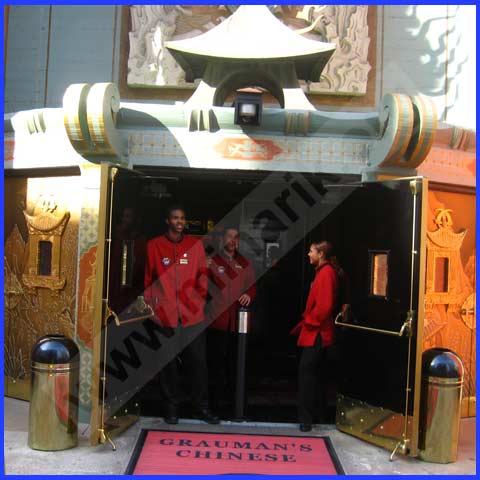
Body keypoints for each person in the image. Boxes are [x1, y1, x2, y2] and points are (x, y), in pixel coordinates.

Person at [144, 204, 219, 424]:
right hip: (165, 316)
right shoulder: (154, 246)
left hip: (192, 316)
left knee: (198, 364)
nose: (180, 222)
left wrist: (198, 303)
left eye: (182, 218)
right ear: (167, 221)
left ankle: (201, 408)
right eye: (175, 218)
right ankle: (171, 409)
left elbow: (202, 277)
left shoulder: (195, 245)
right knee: (168, 366)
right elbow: (148, 281)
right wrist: (153, 310)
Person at [205, 227, 256, 412]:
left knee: (236, 365)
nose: (233, 240)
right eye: (230, 236)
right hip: (216, 321)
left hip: (237, 324)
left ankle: (234, 404)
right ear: (223, 239)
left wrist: (249, 295)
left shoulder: (245, 263)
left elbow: (252, 287)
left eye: (236, 237)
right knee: (215, 365)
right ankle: (214, 405)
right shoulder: (212, 261)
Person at [290, 240, 339, 432]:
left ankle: (306, 419)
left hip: (317, 332)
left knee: (307, 374)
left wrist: (310, 320)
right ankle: (316, 414)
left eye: (311, 251)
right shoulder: (323, 272)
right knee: (314, 373)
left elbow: (325, 306)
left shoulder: (326, 273)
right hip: (316, 330)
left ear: (321, 254)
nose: (309, 254)